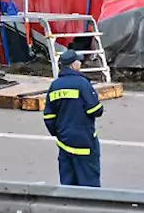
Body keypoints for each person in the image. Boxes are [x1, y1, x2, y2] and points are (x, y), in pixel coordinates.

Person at [42, 49, 104, 186]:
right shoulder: (82, 84)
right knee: (89, 183)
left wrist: (59, 133)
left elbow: (49, 116)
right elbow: (95, 110)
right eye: (79, 62)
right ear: (72, 65)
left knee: (68, 183)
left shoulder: (55, 85)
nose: (80, 64)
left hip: (64, 142)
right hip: (85, 142)